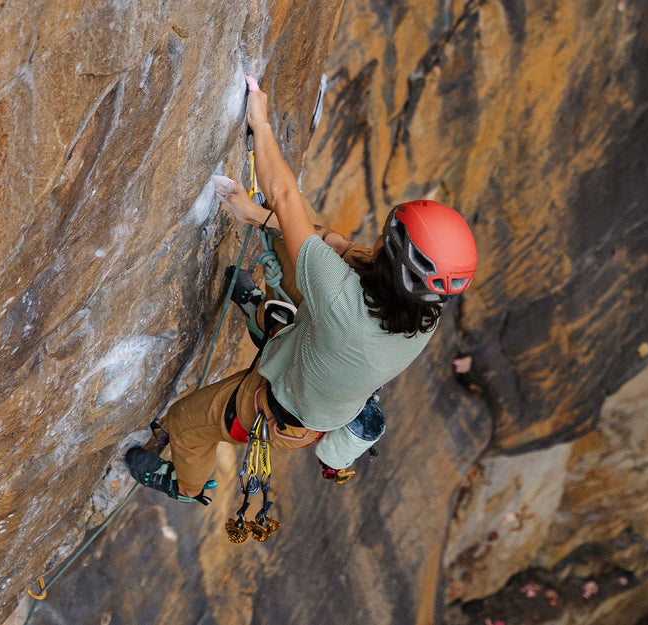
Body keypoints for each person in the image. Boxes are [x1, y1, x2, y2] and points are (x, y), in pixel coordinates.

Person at [125, 75, 479, 503]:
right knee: (301, 237)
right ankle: (267, 318)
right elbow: (338, 246)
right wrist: (256, 215)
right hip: (319, 365)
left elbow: (286, 197)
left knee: (185, 423)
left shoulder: (342, 301)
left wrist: (261, 124)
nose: (379, 242)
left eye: (387, 238)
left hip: (276, 408)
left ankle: (186, 486)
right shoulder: (423, 310)